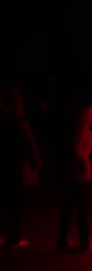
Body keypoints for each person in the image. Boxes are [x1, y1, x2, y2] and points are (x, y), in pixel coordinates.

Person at [57, 95, 92, 253]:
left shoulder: (79, 125)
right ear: (90, 110)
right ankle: (85, 243)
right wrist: (84, 162)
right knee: (81, 210)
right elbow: (76, 149)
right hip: (78, 174)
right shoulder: (81, 127)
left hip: (72, 173)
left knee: (69, 208)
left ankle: (62, 241)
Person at [0, 84, 39, 249]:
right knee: (14, 202)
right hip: (13, 166)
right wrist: (36, 163)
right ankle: (13, 238)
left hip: (4, 165)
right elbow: (28, 144)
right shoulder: (18, 122)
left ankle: (5, 235)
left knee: (5, 200)